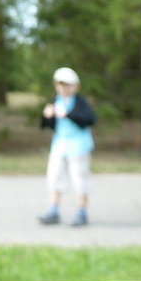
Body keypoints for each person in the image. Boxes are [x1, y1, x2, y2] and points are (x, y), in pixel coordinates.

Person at [38, 66, 97, 227]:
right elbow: (46, 125)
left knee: (79, 179)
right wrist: (47, 116)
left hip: (78, 146)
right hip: (59, 145)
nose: (63, 88)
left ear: (75, 86)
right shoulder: (55, 101)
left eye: (67, 85)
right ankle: (53, 210)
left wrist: (68, 115)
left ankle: (82, 212)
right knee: (54, 177)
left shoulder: (79, 102)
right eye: (60, 85)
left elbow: (89, 119)